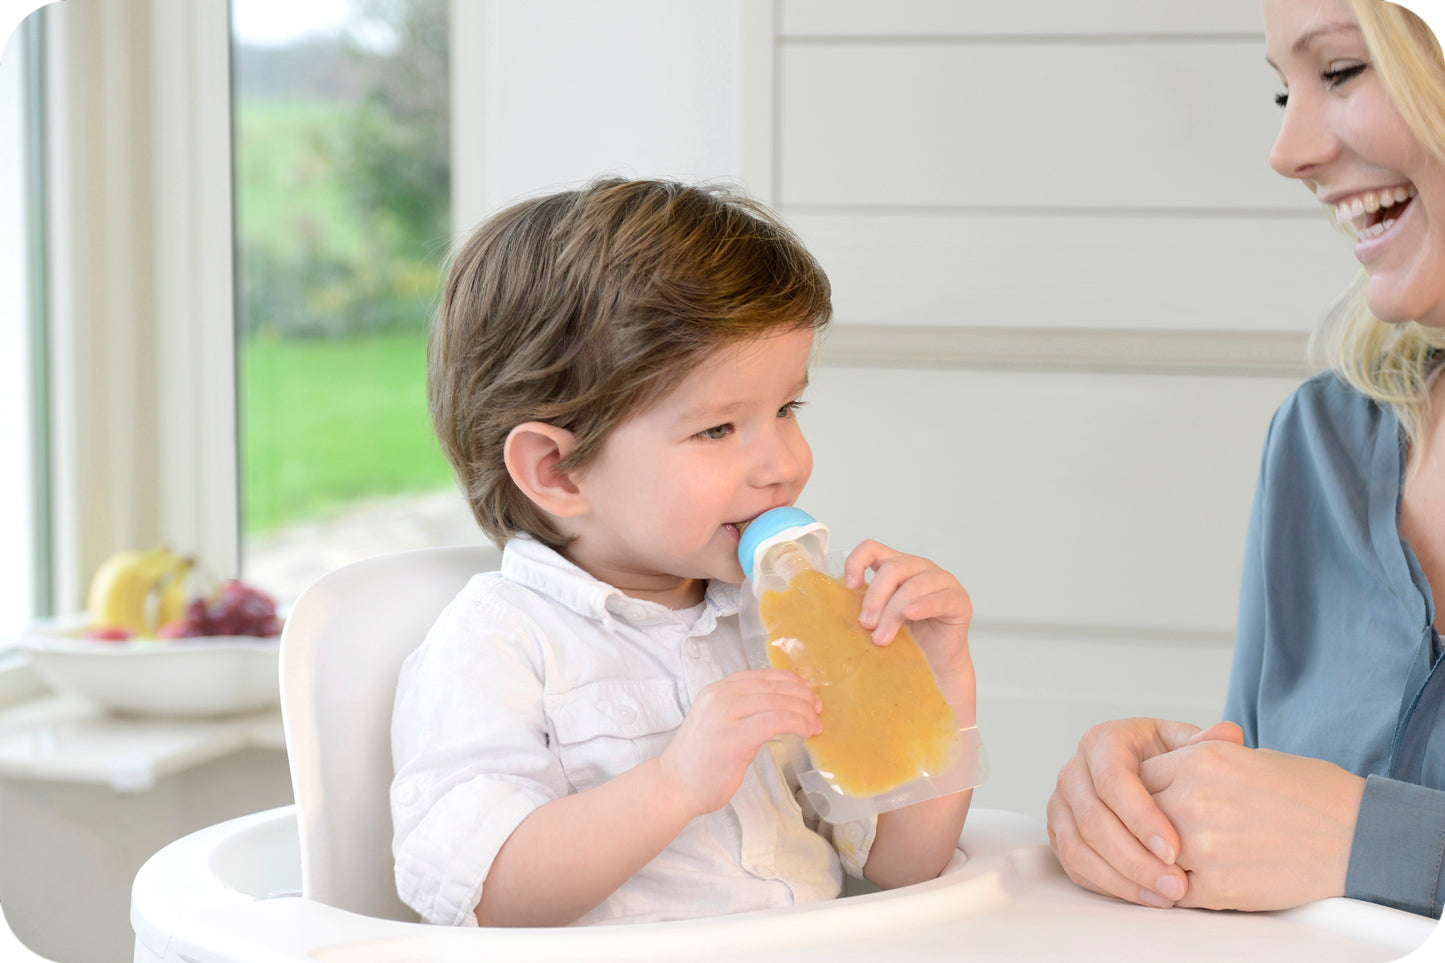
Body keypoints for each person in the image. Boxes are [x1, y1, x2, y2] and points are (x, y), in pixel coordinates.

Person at [391, 177, 978, 927]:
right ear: (557, 470)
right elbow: (484, 893)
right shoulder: (499, 642)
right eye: (718, 430)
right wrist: (672, 783)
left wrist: (938, 675)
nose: (783, 463)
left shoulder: (775, 621)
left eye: (785, 409)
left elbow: (903, 862)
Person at [1046, 0, 1445, 918]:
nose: (1287, 150)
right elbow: (1265, 814)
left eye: (1341, 70)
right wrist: (1147, 805)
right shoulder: (1324, 441)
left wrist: (1369, 838)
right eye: (1281, 90)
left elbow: (1336, 834)